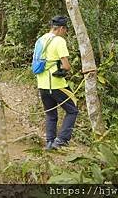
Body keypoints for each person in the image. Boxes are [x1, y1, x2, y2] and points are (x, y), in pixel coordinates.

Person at [36, 15, 79, 150]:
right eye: (65, 30)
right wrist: (65, 70)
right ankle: (61, 140)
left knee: (50, 113)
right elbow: (66, 66)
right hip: (56, 84)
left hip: (42, 84)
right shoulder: (59, 41)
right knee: (72, 110)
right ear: (61, 28)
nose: (65, 33)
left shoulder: (41, 39)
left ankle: (50, 142)